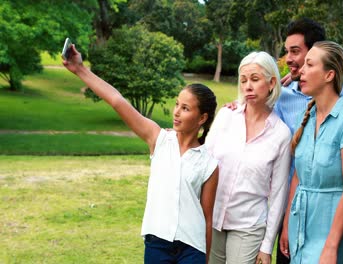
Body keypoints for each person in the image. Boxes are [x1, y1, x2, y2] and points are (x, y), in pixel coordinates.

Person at [63, 45, 219, 264]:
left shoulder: (209, 164)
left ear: (201, 118)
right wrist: (80, 69)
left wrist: (207, 258)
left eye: (185, 108)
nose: (176, 112)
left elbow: (207, 217)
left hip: (192, 249)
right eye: (176, 104)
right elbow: (117, 101)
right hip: (157, 245)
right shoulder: (159, 139)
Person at [279, 41, 343, 263]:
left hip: (329, 226)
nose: (301, 71)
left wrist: (332, 245)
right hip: (298, 223)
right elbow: (298, 177)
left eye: (310, 65)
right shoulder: (306, 117)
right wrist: (286, 226)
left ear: (329, 75)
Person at [205, 51, 291, 264]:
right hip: (212, 220)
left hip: (248, 226)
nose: (247, 87)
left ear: (271, 82)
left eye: (254, 79)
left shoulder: (281, 134)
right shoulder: (226, 116)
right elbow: (202, 163)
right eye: (243, 80)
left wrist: (266, 246)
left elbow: (278, 194)